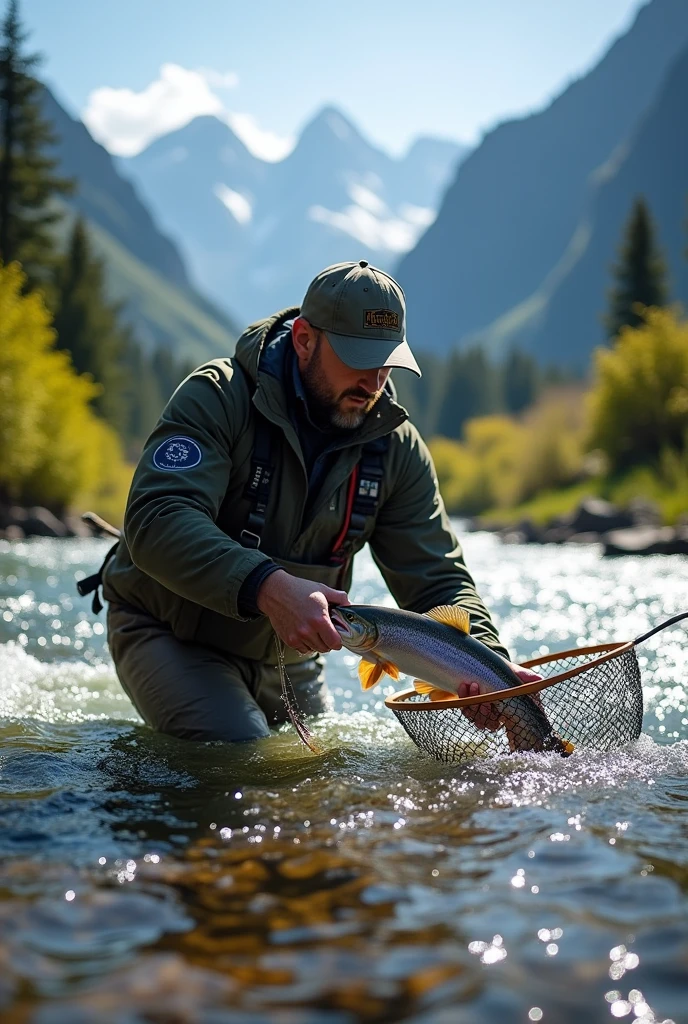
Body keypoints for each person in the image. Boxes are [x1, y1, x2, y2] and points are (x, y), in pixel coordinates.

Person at [100, 260, 538, 742]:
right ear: (305, 339)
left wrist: (490, 667)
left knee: (322, 769)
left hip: (289, 656)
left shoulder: (397, 447)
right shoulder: (217, 397)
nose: (374, 383)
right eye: (358, 359)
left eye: (387, 362)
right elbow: (156, 520)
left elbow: (436, 579)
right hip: (170, 631)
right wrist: (268, 586)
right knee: (241, 754)